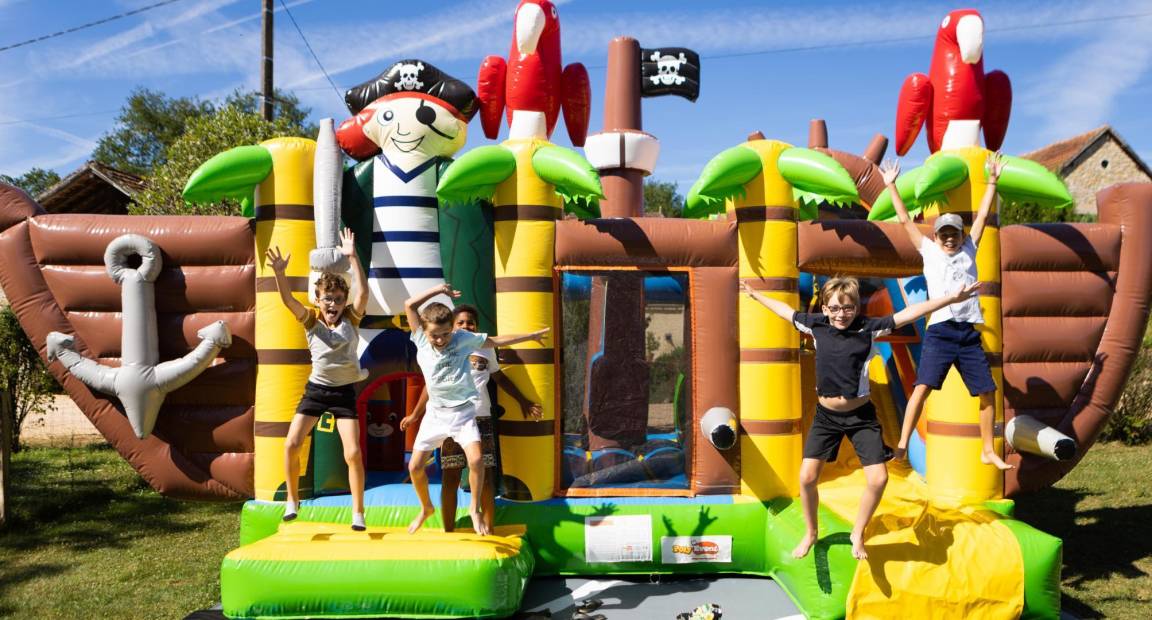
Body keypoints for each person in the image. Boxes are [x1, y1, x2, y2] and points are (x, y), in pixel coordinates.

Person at [741, 276, 980, 560]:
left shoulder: (868, 327)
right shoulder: (816, 325)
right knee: (806, 477)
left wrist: (951, 299)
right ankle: (811, 532)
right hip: (826, 417)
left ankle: (858, 532)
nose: (841, 314)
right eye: (834, 308)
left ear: (856, 307)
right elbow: (785, 311)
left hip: (861, 417)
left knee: (879, 479)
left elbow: (909, 314)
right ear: (825, 308)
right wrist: (756, 295)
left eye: (848, 308)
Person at [881, 154, 1013, 471]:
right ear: (936, 236)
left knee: (987, 392)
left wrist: (992, 182)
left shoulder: (970, 247)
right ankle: (902, 442)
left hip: (967, 333)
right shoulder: (928, 251)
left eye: (955, 233)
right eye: (944, 234)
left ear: (962, 235)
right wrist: (891, 185)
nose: (950, 238)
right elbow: (904, 221)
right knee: (922, 388)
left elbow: (982, 216)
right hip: (940, 332)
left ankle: (987, 450)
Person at [404, 284, 548, 536]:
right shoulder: (421, 340)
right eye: (435, 336)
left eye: (446, 334)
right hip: (436, 415)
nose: (441, 340)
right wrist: (439, 290)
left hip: (463, 414)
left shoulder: (461, 340)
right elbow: (409, 305)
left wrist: (530, 336)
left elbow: (495, 341)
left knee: (478, 460)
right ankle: (426, 508)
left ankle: (474, 509)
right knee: (415, 467)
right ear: (424, 331)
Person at [266, 229, 370, 531]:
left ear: (344, 301)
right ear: (318, 299)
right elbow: (288, 301)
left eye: (338, 299)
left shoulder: (351, 319)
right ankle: (292, 501)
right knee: (291, 444)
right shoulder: (311, 320)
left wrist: (353, 257)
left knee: (353, 453)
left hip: (343, 394)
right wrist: (280, 274)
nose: (333, 304)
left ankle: (358, 512)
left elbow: (363, 293)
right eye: (328, 299)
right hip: (316, 391)